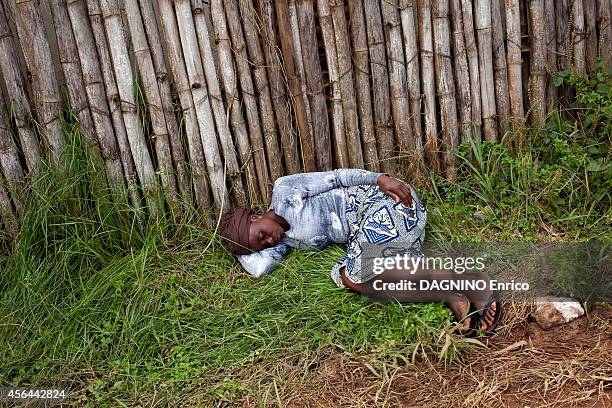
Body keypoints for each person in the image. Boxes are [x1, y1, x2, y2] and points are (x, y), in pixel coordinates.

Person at [219, 169, 501, 336]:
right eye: (263, 245)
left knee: (354, 274)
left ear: (255, 216)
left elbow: (337, 177)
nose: (270, 240)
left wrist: (380, 179)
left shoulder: (285, 191)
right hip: (376, 235)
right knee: (354, 279)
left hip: (386, 202)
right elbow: (259, 269)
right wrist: (242, 247)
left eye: (262, 234)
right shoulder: (282, 243)